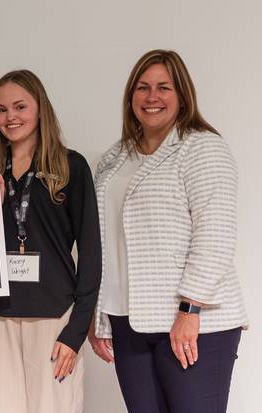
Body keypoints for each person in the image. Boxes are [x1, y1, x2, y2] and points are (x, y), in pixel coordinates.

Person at [87, 49, 249, 413]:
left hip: (195, 324)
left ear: (183, 96)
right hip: (128, 322)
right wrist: (98, 316)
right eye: (142, 88)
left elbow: (215, 235)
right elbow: (105, 243)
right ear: (131, 97)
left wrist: (189, 310)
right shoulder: (115, 159)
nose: (152, 97)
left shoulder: (203, 148)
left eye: (164, 87)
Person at [0, 69, 101, 413]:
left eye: (20, 107)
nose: (10, 117)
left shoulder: (70, 166)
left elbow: (92, 255)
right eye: (1, 110)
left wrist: (76, 332)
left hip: (54, 316)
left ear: (40, 109)